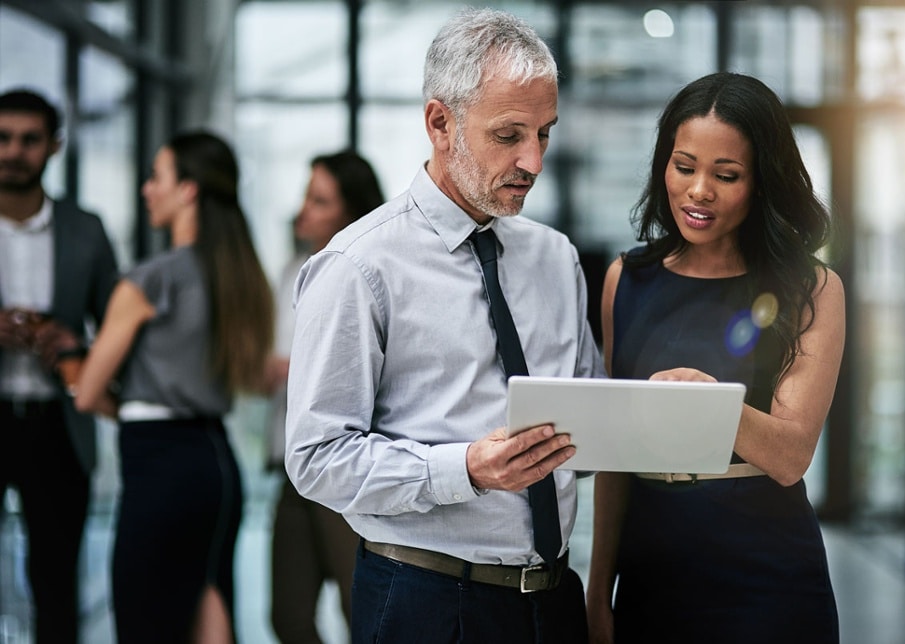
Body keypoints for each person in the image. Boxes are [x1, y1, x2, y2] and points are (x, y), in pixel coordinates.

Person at [284, 8, 604, 644]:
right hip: (425, 603)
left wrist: (657, 412)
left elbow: (586, 428)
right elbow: (316, 459)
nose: (533, 160)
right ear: (439, 123)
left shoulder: (555, 258)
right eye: (509, 135)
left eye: (545, 132)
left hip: (553, 598)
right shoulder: (358, 266)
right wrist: (468, 469)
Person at [585, 72, 844, 643]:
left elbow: (790, 456)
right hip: (652, 574)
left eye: (726, 175)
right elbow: (614, 459)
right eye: (684, 167)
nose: (699, 190)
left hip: (768, 579)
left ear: (761, 183)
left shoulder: (813, 288)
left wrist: (708, 405)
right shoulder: (625, 280)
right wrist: (597, 589)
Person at [71, 130, 274, 643]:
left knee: (145, 624)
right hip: (216, 468)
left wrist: (65, 355)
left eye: (156, 176)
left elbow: (88, 393)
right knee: (211, 612)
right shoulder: (237, 276)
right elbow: (250, 376)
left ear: (188, 190)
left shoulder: (149, 280)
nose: (146, 189)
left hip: (159, 467)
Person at [0, 88, 118, 644]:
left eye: (28, 140)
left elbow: (118, 333)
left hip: (58, 426)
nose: (13, 151)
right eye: (3, 138)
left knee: (55, 583)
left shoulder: (86, 229)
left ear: (54, 146)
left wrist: (71, 341)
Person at [265, 150, 385, 644]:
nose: (303, 211)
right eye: (306, 198)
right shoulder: (293, 269)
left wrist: (297, 371)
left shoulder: (370, 272)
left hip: (347, 468)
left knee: (358, 610)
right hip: (292, 468)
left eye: (320, 200)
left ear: (350, 210)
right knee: (287, 615)